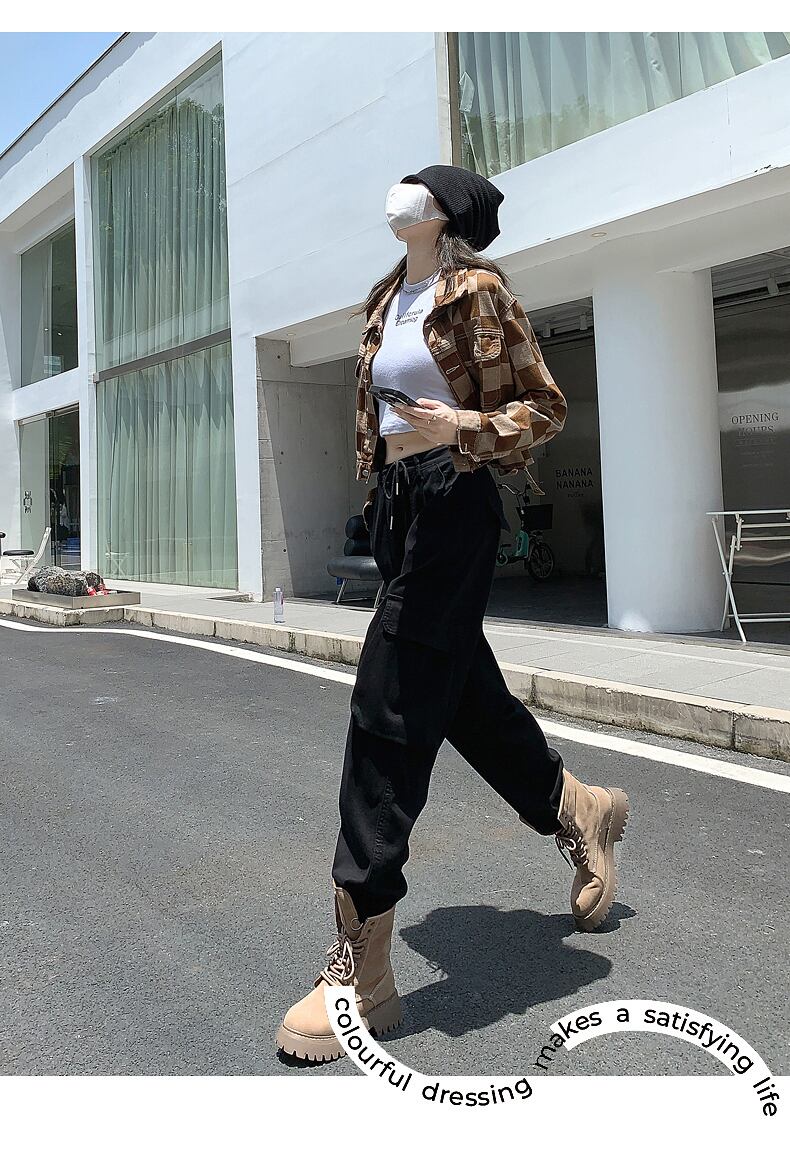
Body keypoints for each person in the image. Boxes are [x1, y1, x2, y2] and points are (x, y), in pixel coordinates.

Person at [276, 164, 630, 1063]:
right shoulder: (384, 300)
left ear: (443, 212)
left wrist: (462, 430)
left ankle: (361, 961)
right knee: (461, 692)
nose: (396, 196)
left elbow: (544, 407)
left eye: (414, 188)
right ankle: (577, 806)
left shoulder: (477, 292)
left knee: (389, 700)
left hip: (455, 494)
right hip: (399, 503)